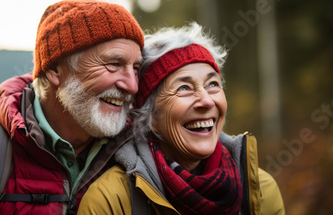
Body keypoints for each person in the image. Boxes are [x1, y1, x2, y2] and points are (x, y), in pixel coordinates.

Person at [0, 1, 144, 214]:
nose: (132, 85)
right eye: (114, 64)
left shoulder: (140, 154)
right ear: (55, 70)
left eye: (135, 68)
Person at [78, 22, 285, 215]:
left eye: (212, 84)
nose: (207, 101)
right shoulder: (110, 200)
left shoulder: (260, 190)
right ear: (149, 117)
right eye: (184, 88)